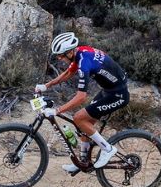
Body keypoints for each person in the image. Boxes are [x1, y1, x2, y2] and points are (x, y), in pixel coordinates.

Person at [34, 32, 129, 174]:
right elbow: (68, 73)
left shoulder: (84, 63)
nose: (59, 58)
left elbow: (81, 97)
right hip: (109, 91)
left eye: (61, 55)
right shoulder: (80, 53)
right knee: (83, 124)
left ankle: (108, 149)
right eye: (58, 56)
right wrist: (46, 85)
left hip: (118, 95)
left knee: (78, 118)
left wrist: (57, 111)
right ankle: (83, 162)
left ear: (70, 52)